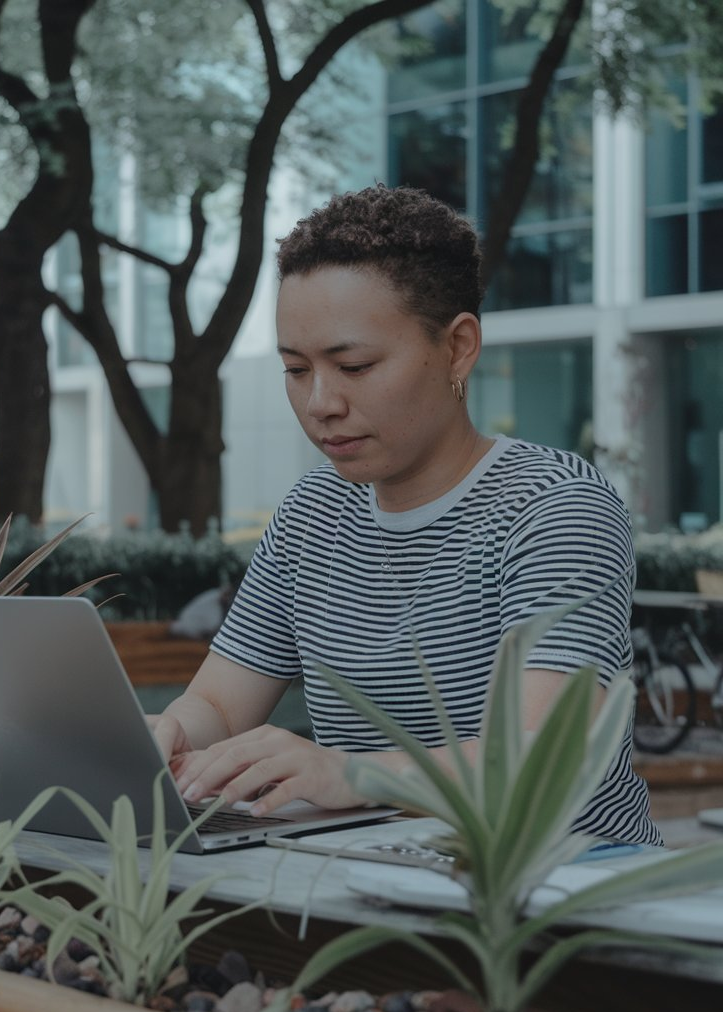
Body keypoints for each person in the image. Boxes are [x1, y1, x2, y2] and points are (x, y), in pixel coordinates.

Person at [150, 184, 661, 846]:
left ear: (458, 348)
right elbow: (219, 703)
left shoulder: (554, 508)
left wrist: (351, 774)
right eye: (296, 370)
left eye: (354, 365)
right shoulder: (312, 515)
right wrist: (171, 734)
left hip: (551, 911)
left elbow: (545, 760)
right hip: (364, 889)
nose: (320, 402)